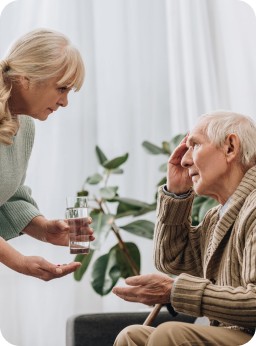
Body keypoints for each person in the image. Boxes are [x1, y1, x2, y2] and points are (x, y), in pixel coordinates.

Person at [112, 110, 256, 345]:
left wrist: (175, 291)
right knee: (132, 337)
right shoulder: (216, 217)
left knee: (169, 335)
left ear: (230, 147)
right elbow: (172, 258)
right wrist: (176, 193)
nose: (184, 160)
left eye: (195, 145)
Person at [0, 28, 94, 281]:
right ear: (25, 79)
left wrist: (44, 229)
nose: (65, 102)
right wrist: (18, 261)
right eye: (62, 89)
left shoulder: (24, 126)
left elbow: (9, 195)